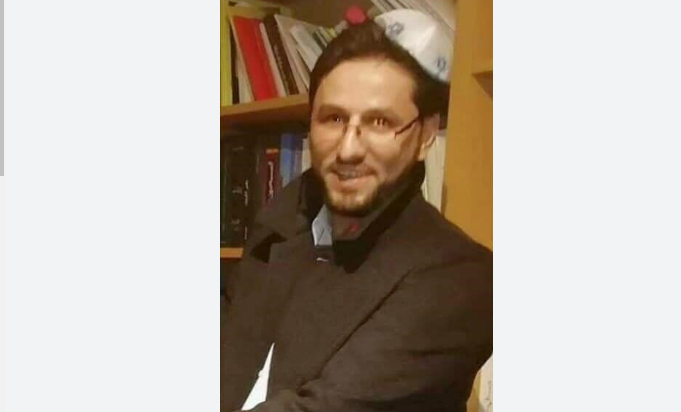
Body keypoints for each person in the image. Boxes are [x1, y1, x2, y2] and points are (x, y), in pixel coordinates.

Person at [222, 10, 492, 412]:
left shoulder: (461, 278)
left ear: (425, 135)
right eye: (333, 119)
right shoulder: (287, 214)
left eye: (380, 122)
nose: (348, 149)